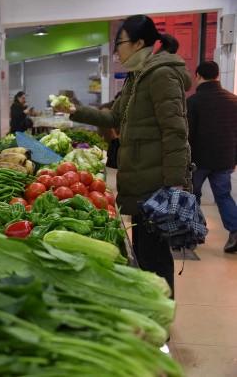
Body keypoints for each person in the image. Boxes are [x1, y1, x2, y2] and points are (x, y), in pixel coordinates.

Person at [70, 15, 192, 295]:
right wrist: (74, 111)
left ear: (138, 43)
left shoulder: (160, 75)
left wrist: (175, 186)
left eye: (120, 44)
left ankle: (160, 318)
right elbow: (114, 115)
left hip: (156, 184)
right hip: (140, 179)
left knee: (155, 259)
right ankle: (154, 312)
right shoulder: (137, 76)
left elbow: (176, 131)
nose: (117, 52)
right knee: (144, 254)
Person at [187, 61, 237, 253]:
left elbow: (188, 135)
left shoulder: (193, 102)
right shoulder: (233, 100)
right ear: (217, 76)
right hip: (224, 158)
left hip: (198, 160)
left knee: (193, 195)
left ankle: (194, 232)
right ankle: (235, 231)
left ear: (197, 75)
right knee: (224, 196)